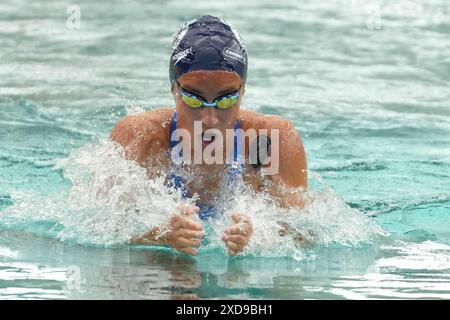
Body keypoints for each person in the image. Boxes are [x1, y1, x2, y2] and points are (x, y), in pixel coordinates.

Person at [110, 15, 307, 256]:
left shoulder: (265, 142)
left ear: (243, 91)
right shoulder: (145, 138)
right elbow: (96, 226)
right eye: (194, 99)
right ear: (174, 89)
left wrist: (259, 237)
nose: (209, 119)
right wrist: (159, 234)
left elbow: (305, 234)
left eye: (226, 99)